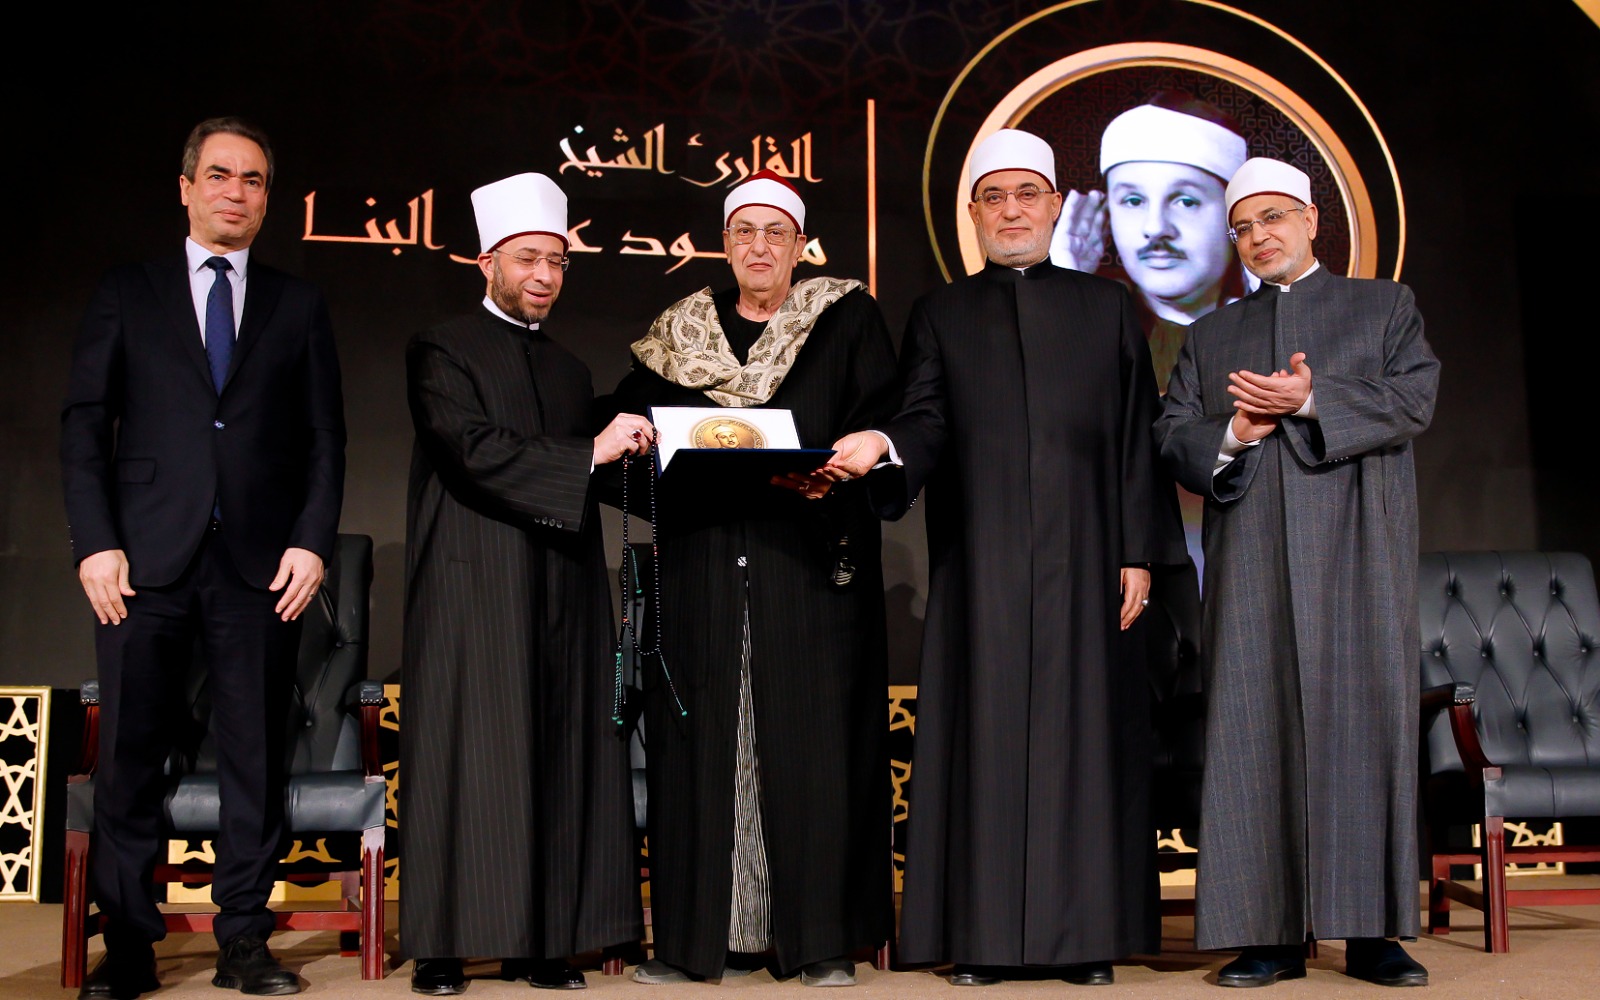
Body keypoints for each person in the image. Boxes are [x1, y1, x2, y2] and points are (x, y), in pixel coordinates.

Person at [827, 128, 1184, 987]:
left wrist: (1138, 553)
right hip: (980, 563)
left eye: (1028, 194)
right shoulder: (942, 313)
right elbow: (925, 418)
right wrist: (883, 442)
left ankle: (1086, 940)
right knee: (983, 742)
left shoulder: (1107, 308)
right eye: (995, 198)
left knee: (1083, 744)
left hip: (1089, 562)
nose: (1012, 211)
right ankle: (981, 940)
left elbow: (1136, 435)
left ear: (1055, 206)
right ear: (975, 214)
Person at [60, 116, 345, 999]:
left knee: (253, 756)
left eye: (253, 180)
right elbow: (84, 423)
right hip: (142, 561)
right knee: (129, 756)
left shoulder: (298, 304)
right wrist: (95, 542)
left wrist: (311, 540)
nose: (236, 191)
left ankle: (243, 939)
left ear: (268, 198)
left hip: (259, 565)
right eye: (219, 174)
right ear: (186, 188)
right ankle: (130, 944)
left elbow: (325, 438)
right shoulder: (129, 291)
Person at [1153, 157, 1439, 988]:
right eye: (1242, 227)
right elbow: (1171, 434)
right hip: (1251, 559)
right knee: (1252, 732)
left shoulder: (1383, 306)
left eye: (1273, 218)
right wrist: (1236, 432)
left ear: (1313, 220)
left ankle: (1374, 933)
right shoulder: (1211, 335)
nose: (1258, 237)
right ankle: (1267, 935)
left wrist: (1311, 401)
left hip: (1360, 551)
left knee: (1364, 728)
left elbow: (1414, 399)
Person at [613, 170, 897, 987]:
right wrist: (638, 442)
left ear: (799, 246)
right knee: (701, 754)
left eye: (776, 233)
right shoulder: (679, 333)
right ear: (726, 243)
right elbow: (632, 437)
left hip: (804, 567)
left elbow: (885, 420)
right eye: (745, 232)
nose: (760, 247)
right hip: (703, 567)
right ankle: (691, 943)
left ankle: (819, 943)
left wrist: (844, 465)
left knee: (811, 752)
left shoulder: (844, 318)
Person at [400, 172, 651, 995]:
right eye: (527, 259)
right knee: (468, 757)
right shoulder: (441, 347)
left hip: (563, 587)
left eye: (557, 261)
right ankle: (443, 946)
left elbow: (596, 472)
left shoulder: (571, 370)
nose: (544, 275)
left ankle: (544, 943)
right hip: (474, 585)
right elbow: (469, 450)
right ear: (488, 262)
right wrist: (592, 451)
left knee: (559, 755)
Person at [1050, 93, 1251, 392]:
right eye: (1133, 201)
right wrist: (1062, 294)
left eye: (1186, 201)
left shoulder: (1278, 323)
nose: (1155, 228)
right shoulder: (1093, 319)